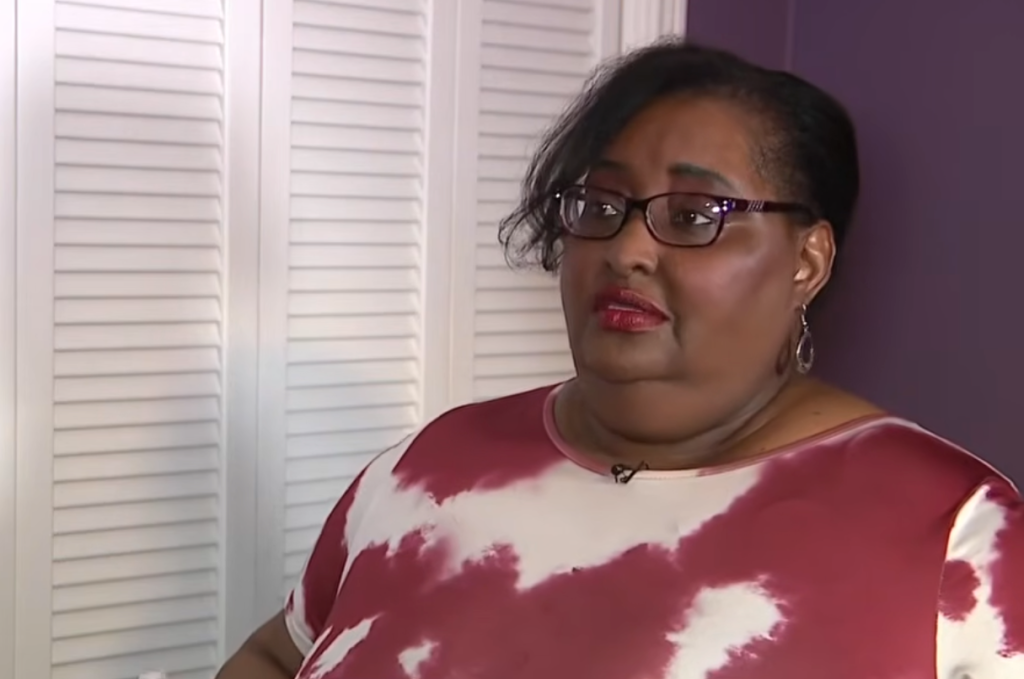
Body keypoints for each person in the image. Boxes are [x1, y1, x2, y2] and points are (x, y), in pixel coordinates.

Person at [217, 40, 1023, 679]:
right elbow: (273, 656)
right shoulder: (431, 467)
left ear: (807, 261)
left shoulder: (956, 535)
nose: (627, 246)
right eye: (600, 206)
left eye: (694, 212)